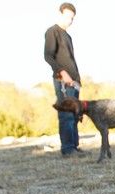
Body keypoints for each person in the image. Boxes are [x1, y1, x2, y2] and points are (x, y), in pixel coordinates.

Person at [44, 3, 82, 157]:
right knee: (66, 114)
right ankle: (67, 149)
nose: (70, 21)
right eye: (67, 17)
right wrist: (62, 73)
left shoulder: (68, 36)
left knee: (74, 114)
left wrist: (77, 80)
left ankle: (74, 146)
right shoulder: (52, 31)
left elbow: (71, 60)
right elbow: (48, 56)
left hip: (74, 82)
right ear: (60, 14)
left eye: (72, 18)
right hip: (63, 81)